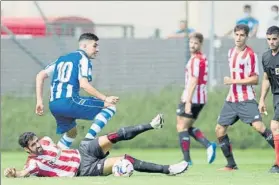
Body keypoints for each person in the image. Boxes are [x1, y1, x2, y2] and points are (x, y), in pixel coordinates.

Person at [3, 114, 189, 178]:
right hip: (83, 169)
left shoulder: (45, 141)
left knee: (114, 136)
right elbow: (22, 173)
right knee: (126, 160)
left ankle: (152, 125)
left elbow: (59, 147)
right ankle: (169, 169)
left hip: (83, 151)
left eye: (36, 141)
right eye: (33, 145)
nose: (38, 145)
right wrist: (13, 173)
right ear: (27, 150)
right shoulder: (33, 165)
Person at [35, 33, 119, 149]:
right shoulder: (83, 59)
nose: (97, 49)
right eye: (95, 46)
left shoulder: (62, 59)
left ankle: (55, 160)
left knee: (71, 133)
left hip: (54, 105)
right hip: (69, 101)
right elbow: (84, 84)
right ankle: (88, 142)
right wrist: (105, 98)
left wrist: (39, 101)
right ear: (84, 45)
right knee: (110, 106)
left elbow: (40, 75)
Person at [216, 24, 275, 171]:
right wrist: (231, 82)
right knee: (219, 130)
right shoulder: (230, 53)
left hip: (246, 98)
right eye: (236, 35)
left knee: (259, 127)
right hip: (231, 99)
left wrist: (232, 81)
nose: (238, 38)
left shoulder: (250, 55)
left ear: (246, 37)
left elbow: (255, 79)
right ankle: (231, 164)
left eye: (242, 35)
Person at [176, 32, 217, 165]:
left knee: (182, 127)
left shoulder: (196, 60)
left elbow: (193, 80)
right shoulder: (200, 58)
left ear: (200, 44)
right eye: (191, 42)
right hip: (195, 97)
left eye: (196, 43)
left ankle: (188, 159)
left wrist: (188, 101)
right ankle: (205, 147)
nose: (193, 45)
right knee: (184, 126)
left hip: (193, 98)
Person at [258, 26, 279, 173]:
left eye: (275, 39)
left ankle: (277, 165)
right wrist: (261, 100)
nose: (271, 42)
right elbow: (266, 78)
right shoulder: (265, 57)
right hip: (276, 96)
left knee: (274, 126)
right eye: (269, 39)